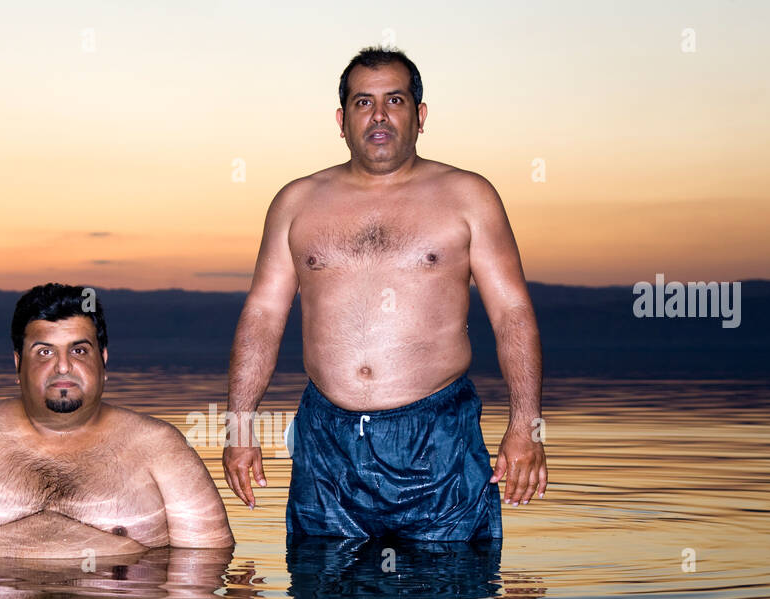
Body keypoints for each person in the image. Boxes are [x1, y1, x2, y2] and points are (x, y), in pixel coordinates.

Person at [222, 46, 549, 541]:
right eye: (362, 102)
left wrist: (525, 426)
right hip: (326, 441)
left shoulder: (468, 196)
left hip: (438, 436)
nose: (379, 115)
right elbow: (263, 316)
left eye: (394, 100)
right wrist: (239, 428)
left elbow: (512, 313)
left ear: (419, 116)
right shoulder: (297, 202)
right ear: (341, 119)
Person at [0, 283, 234, 557]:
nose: (63, 366)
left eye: (79, 350)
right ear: (17, 364)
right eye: (44, 351)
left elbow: (209, 565)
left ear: (104, 359)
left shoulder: (160, 446)